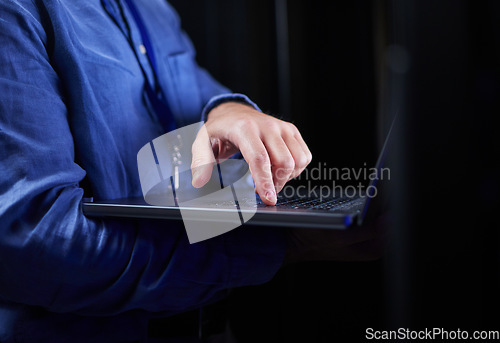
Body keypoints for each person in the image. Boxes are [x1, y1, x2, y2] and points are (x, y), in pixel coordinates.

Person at [0, 0, 383, 341]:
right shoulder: (16, 11)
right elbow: (33, 238)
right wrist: (282, 247)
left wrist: (231, 110)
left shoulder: (154, 9)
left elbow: (199, 104)